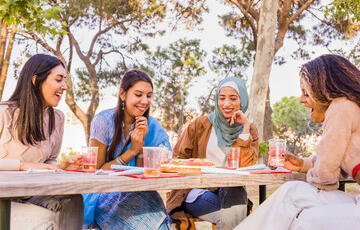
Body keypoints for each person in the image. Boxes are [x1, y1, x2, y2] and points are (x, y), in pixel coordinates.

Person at [235, 54, 360, 230]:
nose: (302, 99)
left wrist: (317, 173)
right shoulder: (351, 106)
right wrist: (302, 164)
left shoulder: (340, 107)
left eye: (306, 93)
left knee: (305, 221)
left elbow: (325, 177)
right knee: (291, 191)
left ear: (325, 90)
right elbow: (331, 160)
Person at [0, 54, 84, 229]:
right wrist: (22, 165)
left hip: (31, 195)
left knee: (74, 199)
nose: (65, 86)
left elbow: (47, 163)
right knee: (48, 220)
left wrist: (60, 167)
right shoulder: (4, 113)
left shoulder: (57, 119)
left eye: (65, 80)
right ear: (36, 80)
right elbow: (30, 166)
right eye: (58, 79)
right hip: (3, 200)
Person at [82, 69, 172, 230]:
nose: (144, 101)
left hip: (140, 192)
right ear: (123, 94)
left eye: (149, 96)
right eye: (138, 95)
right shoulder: (104, 121)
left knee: (157, 222)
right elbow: (97, 171)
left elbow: (147, 172)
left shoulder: (151, 125)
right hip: (106, 194)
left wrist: (142, 149)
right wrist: (133, 150)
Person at [167, 76, 259, 230]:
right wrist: (198, 170)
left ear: (242, 101)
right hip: (195, 190)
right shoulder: (200, 124)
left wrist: (244, 129)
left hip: (231, 190)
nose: (226, 104)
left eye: (233, 98)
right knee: (236, 216)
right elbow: (178, 158)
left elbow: (244, 167)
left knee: (234, 191)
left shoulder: (249, 130)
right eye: (221, 98)